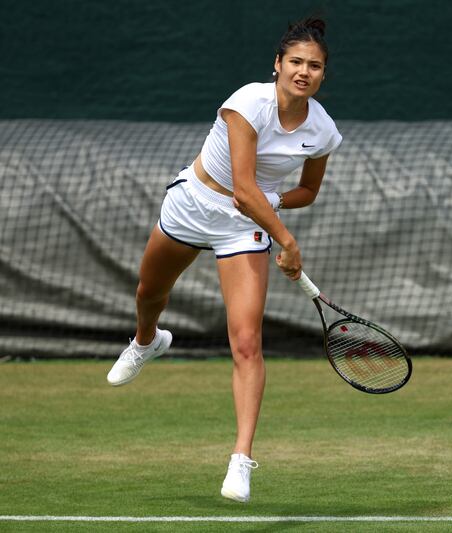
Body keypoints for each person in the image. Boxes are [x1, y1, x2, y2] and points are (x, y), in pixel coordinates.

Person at [106, 17, 342, 503]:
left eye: (314, 66)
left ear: (323, 75)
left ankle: (240, 460)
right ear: (277, 65)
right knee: (150, 292)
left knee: (247, 342)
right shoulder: (247, 103)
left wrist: (272, 210)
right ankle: (146, 341)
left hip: (245, 225)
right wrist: (286, 242)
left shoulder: (322, 130)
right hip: (195, 201)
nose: (304, 72)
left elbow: (308, 191)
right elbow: (241, 184)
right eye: (295, 62)